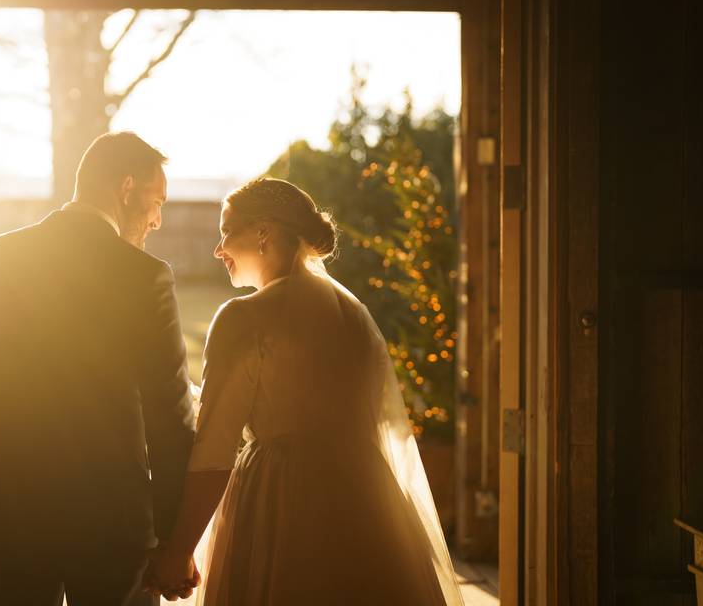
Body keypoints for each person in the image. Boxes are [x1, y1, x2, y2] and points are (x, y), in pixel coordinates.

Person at [144, 177, 465, 605]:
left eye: (226, 232)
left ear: (263, 232)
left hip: (281, 507)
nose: (218, 249)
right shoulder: (355, 315)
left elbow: (215, 451)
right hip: (368, 504)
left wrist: (180, 551)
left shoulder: (244, 317)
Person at [0, 132, 199, 605]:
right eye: (156, 200)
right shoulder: (145, 277)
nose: (158, 219)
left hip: (5, 509)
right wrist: (171, 539)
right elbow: (170, 418)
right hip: (111, 521)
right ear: (125, 188)